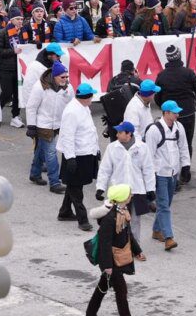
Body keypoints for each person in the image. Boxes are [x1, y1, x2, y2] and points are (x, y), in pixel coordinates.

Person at [84, 184, 146, 316]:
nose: (131, 196)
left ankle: (90, 313)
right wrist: (107, 266)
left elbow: (128, 235)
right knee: (121, 291)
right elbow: (105, 244)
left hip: (116, 259)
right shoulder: (110, 219)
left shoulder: (123, 212)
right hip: (111, 261)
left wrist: (137, 251)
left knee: (103, 284)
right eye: (129, 194)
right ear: (122, 198)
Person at [95, 121, 156, 246]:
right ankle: (120, 247)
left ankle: (135, 247)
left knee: (135, 221)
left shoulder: (142, 147)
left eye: (120, 132)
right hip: (119, 193)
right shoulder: (112, 148)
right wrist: (100, 187)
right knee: (118, 220)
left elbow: (148, 169)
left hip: (137, 190)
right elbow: (105, 169)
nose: (117, 135)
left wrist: (150, 189)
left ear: (129, 134)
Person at [146, 100, 191, 251]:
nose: (177, 114)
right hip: (159, 173)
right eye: (174, 112)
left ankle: (157, 230)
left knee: (166, 203)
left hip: (173, 173)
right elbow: (149, 155)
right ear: (166, 113)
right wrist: (150, 179)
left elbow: (183, 147)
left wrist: (186, 166)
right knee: (164, 205)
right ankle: (168, 237)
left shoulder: (179, 127)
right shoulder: (154, 130)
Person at [57, 83, 101, 232]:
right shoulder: (72, 112)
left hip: (86, 152)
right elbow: (67, 136)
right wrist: (70, 158)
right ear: (86, 97)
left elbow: (91, 130)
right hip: (76, 154)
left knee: (75, 185)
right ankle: (83, 219)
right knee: (76, 188)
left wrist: (96, 149)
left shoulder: (84, 107)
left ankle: (65, 211)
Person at [155, 44, 196, 165]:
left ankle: (172, 170)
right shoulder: (188, 72)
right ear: (179, 56)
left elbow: (157, 96)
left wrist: (163, 106)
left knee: (170, 141)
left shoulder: (162, 75)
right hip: (187, 112)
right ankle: (185, 170)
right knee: (187, 142)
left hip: (169, 114)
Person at [25, 60, 71, 194]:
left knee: (41, 150)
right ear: (54, 76)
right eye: (62, 77)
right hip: (43, 125)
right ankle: (55, 183)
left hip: (58, 124)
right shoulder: (40, 87)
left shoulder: (68, 88)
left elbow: (71, 105)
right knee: (51, 153)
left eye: (67, 77)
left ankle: (34, 174)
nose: (65, 79)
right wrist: (31, 126)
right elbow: (31, 107)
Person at [0, 7, 25, 128]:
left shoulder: (23, 32)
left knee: (17, 94)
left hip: (19, 69)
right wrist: (13, 51)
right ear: (11, 20)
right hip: (6, 68)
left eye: (22, 19)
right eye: (18, 19)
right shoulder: (3, 32)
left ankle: (15, 116)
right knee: (7, 93)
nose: (20, 21)